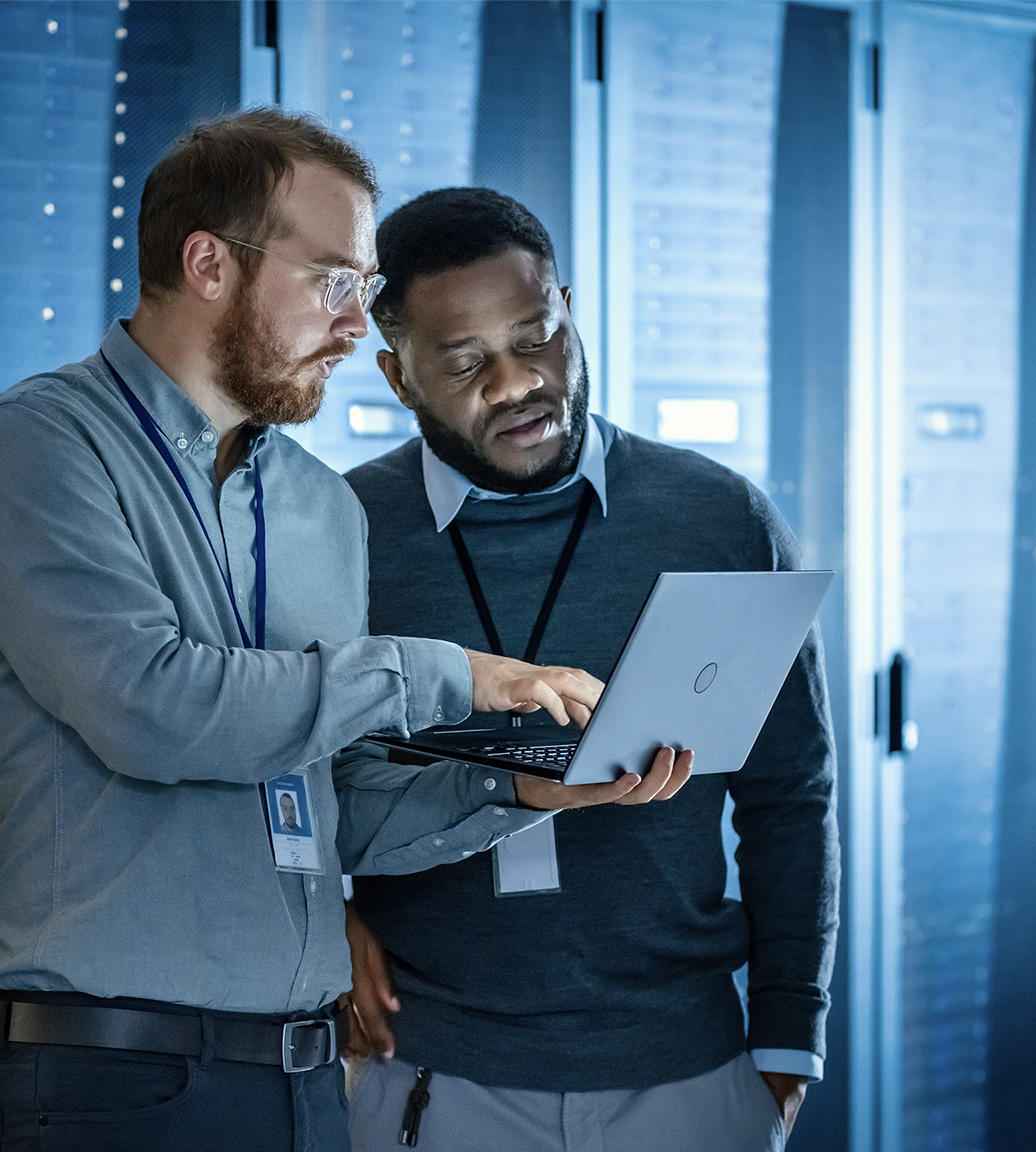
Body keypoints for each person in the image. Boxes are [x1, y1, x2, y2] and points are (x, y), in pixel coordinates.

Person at [0, 113, 694, 1152]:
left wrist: (518, 790)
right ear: (208, 262)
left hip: (301, 1084)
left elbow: (335, 807)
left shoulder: (317, 507)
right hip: (108, 1081)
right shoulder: (38, 448)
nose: (356, 326)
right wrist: (452, 676)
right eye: (334, 281)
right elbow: (153, 710)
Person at [339, 188, 839, 1152]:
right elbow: (285, 777)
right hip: (435, 1075)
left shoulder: (716, 516)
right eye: (465, 362)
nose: (518, 382)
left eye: (538, 337)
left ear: (568, 307)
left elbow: (792, 796)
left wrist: (787, 1040)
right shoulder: (346, 536)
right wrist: (330, 916)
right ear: (399, 378)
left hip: (688, 1076)